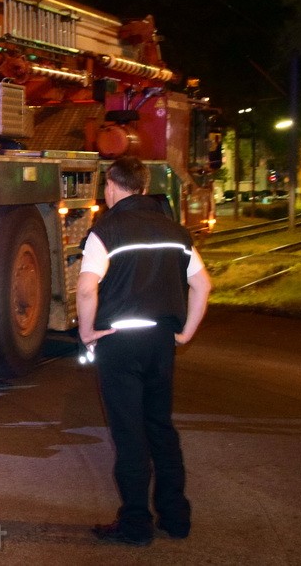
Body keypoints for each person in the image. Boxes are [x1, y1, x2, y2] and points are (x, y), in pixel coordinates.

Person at [77, 156, 211, 546]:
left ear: (111, 186)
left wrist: (87, 331)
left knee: (129, 433)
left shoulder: (107, 230)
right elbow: (202, 286)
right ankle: (175, 516)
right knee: (160, 428)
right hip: (160, 343)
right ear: (143, 185)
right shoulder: (176, 231)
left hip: (119, 342)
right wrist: (184, 333)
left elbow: (87, 289)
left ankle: (135, 524)